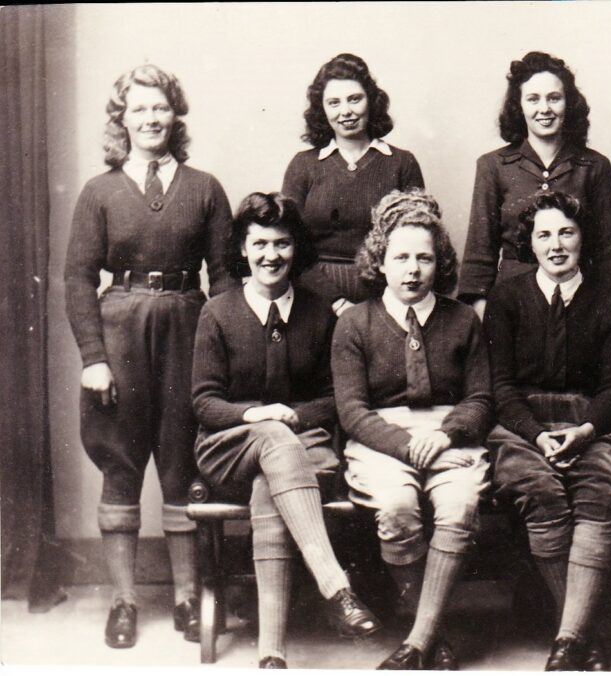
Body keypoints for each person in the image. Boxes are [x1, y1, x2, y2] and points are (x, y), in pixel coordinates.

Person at [64, 64, 236, 649]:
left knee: (184, 463)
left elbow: (229, 281)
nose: (150, 119)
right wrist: (93, 356)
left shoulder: (206, 187)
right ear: (122, 119)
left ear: (175, 114)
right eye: (138, 109)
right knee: (120, 461)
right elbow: (78, 277)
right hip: (120, 332)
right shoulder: (99, 191)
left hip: (189, 325)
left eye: (159, 108)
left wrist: (226, 355)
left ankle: (188, 598)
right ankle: (124, 600)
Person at [192, 192, 381, 669]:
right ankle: (335, 586)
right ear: (241, 249)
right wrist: (256, 415)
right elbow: (204, 403)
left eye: (282, 244)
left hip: (300, 447)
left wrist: (295, 416)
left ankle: (271, 653)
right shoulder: (217, 311)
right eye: (258, 244)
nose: (270, 256)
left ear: (297, 249)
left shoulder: (320, 312)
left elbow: (334, 398)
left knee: (269, 483)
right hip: (229, 446)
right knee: (272, 439)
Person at [332, 189, 493, 670]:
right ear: (380, 261)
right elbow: (353, 412)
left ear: (438, 263)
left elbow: (481, 399)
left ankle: (417, 641)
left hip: (452, 436)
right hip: (381, 438)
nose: (413, 269)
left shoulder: (463, 320)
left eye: (424, 258)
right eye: (400, 257)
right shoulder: (355, 324)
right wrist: (415, 449)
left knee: (458, 505)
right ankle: (431, 632)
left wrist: (445, 438)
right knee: (398, 508)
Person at [484, 191, 611, 671]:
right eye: (543, 234)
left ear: (582, 237)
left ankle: (568, 638)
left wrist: (586, 431)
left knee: (599, 491)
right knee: (540, 489)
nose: (556, 244)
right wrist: (536, 434)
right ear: (530, 242)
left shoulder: (609, 302)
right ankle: (591, 631)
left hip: (590, 422)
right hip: (523, 426)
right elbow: (501, 387)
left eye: (566, 232)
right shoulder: (506, 300)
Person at [457, 51, 611, 317]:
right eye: (533, 99)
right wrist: (486, 316)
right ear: (519, 106)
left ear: (569, 104)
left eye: (554, 98)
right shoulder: (493, 166)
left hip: (581, 302)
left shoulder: (594, 166)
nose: (545, 109)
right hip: (512, 306)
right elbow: (479, 253)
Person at [283, 53, 425, 316]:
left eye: (354, 99)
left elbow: (417, 243)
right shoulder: (303, 166)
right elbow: (289, 244)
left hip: (386, 299)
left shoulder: (402, 164)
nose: (345, 111)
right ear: (321, 109)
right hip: (313, 299)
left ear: (371, 101)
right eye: (333, 102)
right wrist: (335, 302)